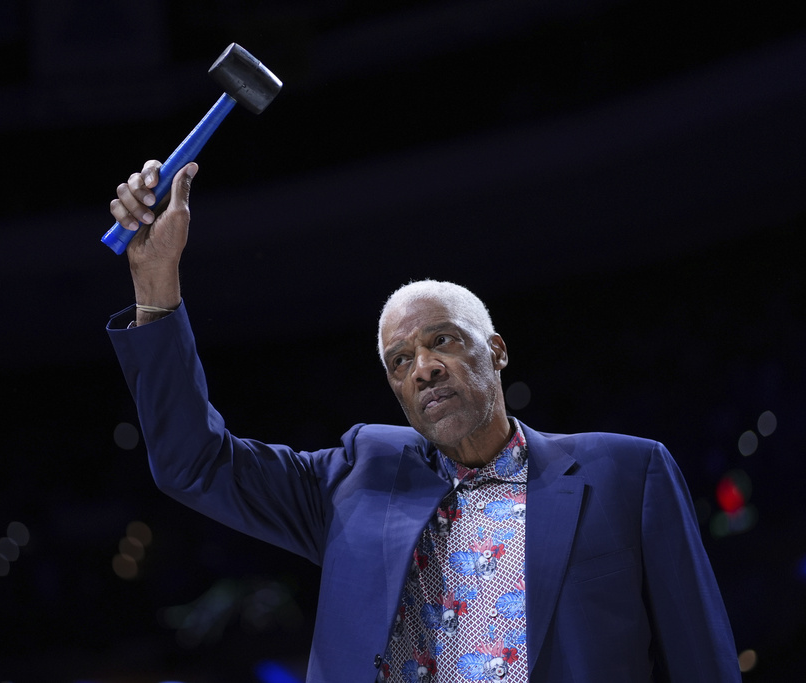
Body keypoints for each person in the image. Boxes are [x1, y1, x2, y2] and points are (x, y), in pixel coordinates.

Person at [106, 160, 741, 682]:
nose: (424, 368)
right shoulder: (355, 479)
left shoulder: (627, 473)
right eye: (400, 360)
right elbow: (194, 463)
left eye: (442, 340)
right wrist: (156, 285)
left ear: (496, 351)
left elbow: (701, 662)